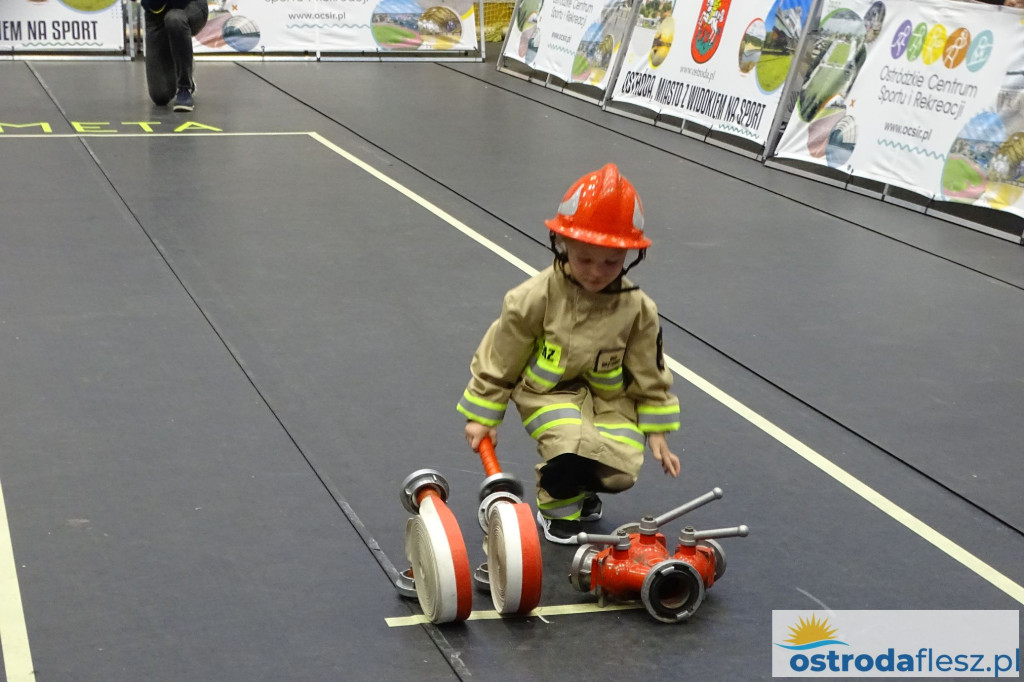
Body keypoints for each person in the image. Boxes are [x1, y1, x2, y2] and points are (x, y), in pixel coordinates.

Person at [457, 163, 682, 544]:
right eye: (584, 260)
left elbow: (649, 369)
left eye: (611, 262)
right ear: (562, 245)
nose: (597, 273)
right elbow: (500, 358)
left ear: (630, 255)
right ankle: (558, 511)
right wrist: (484, 414)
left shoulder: (638, 308)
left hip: (610, 401)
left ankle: (582, 488)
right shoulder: (532, 298)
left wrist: (657, 429)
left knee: (621, 468)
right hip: (547, 394)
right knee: (568, 446)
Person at [140, 0, 208, 112]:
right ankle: (184, 58)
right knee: (160, 96)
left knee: (175, 19)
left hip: (190, 5)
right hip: (155, 12)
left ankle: (185, 87)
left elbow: (180, 4)